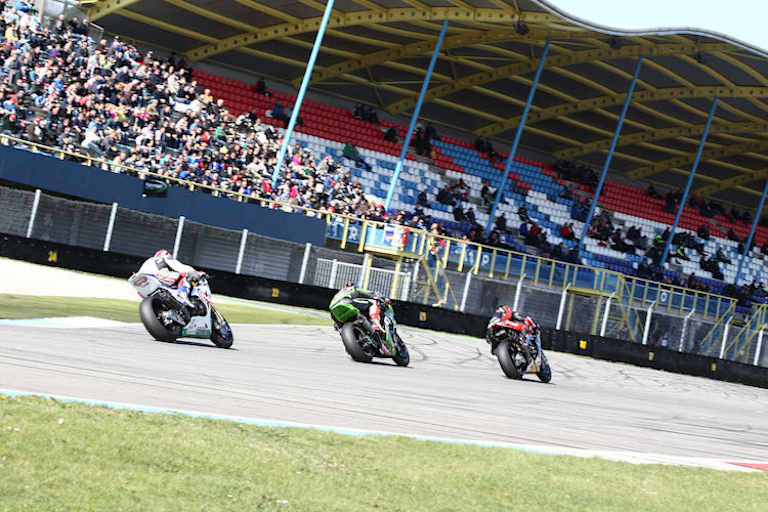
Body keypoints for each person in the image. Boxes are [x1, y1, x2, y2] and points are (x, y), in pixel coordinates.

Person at [137, 250, 207, 322]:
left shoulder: (147, 263)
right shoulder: (162, 255)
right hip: (155, 277)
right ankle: (182, 295)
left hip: (143, 285)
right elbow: (179, 267)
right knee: (185, 275)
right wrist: (194, 273)